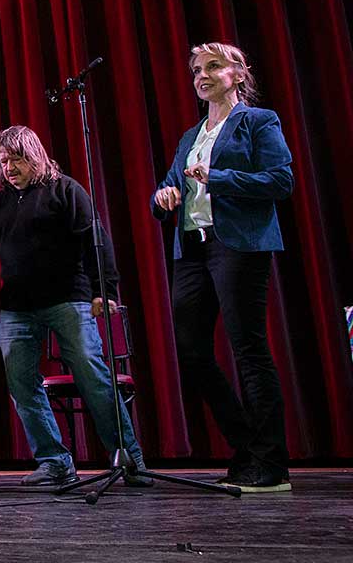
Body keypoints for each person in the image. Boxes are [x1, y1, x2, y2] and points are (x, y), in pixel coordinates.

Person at [0, 126, 149, 487]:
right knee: (22, 384)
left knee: (93, 377)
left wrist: (105, 289)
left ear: (35, 156)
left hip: (68, 300)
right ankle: (54, 461)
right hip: (17, 308)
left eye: (16, 159)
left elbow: (94, 240)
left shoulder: (66, 190)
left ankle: (130, 458)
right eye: (3, 161)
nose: (9, 168)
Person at [152, 42, 294, 492]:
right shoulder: (190, 137)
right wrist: (163, 196)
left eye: (213, 66)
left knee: (248, 349)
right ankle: (247, 447)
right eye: (196, 69)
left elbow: (281, 180)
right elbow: (169, 186)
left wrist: (219, 178)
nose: (202, 75)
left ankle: (271, 464)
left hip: (238, 245)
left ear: (239, 73)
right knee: (191, 351)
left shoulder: (257, 121)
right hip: (193, 248)